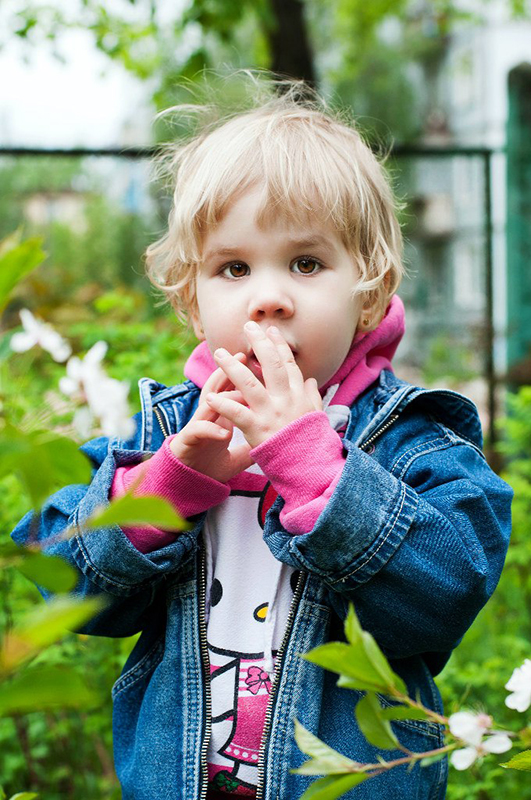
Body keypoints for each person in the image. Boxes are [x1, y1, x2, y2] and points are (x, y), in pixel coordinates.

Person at [12, 77, 512, 800]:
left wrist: (317, 473)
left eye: (306, 264)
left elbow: (447, 592)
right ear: (192, 300)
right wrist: (167, 485)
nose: (267, 296)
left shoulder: (412, 441)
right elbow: (62, 573)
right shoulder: (165, 433)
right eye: (233, 268)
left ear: (367, 292)